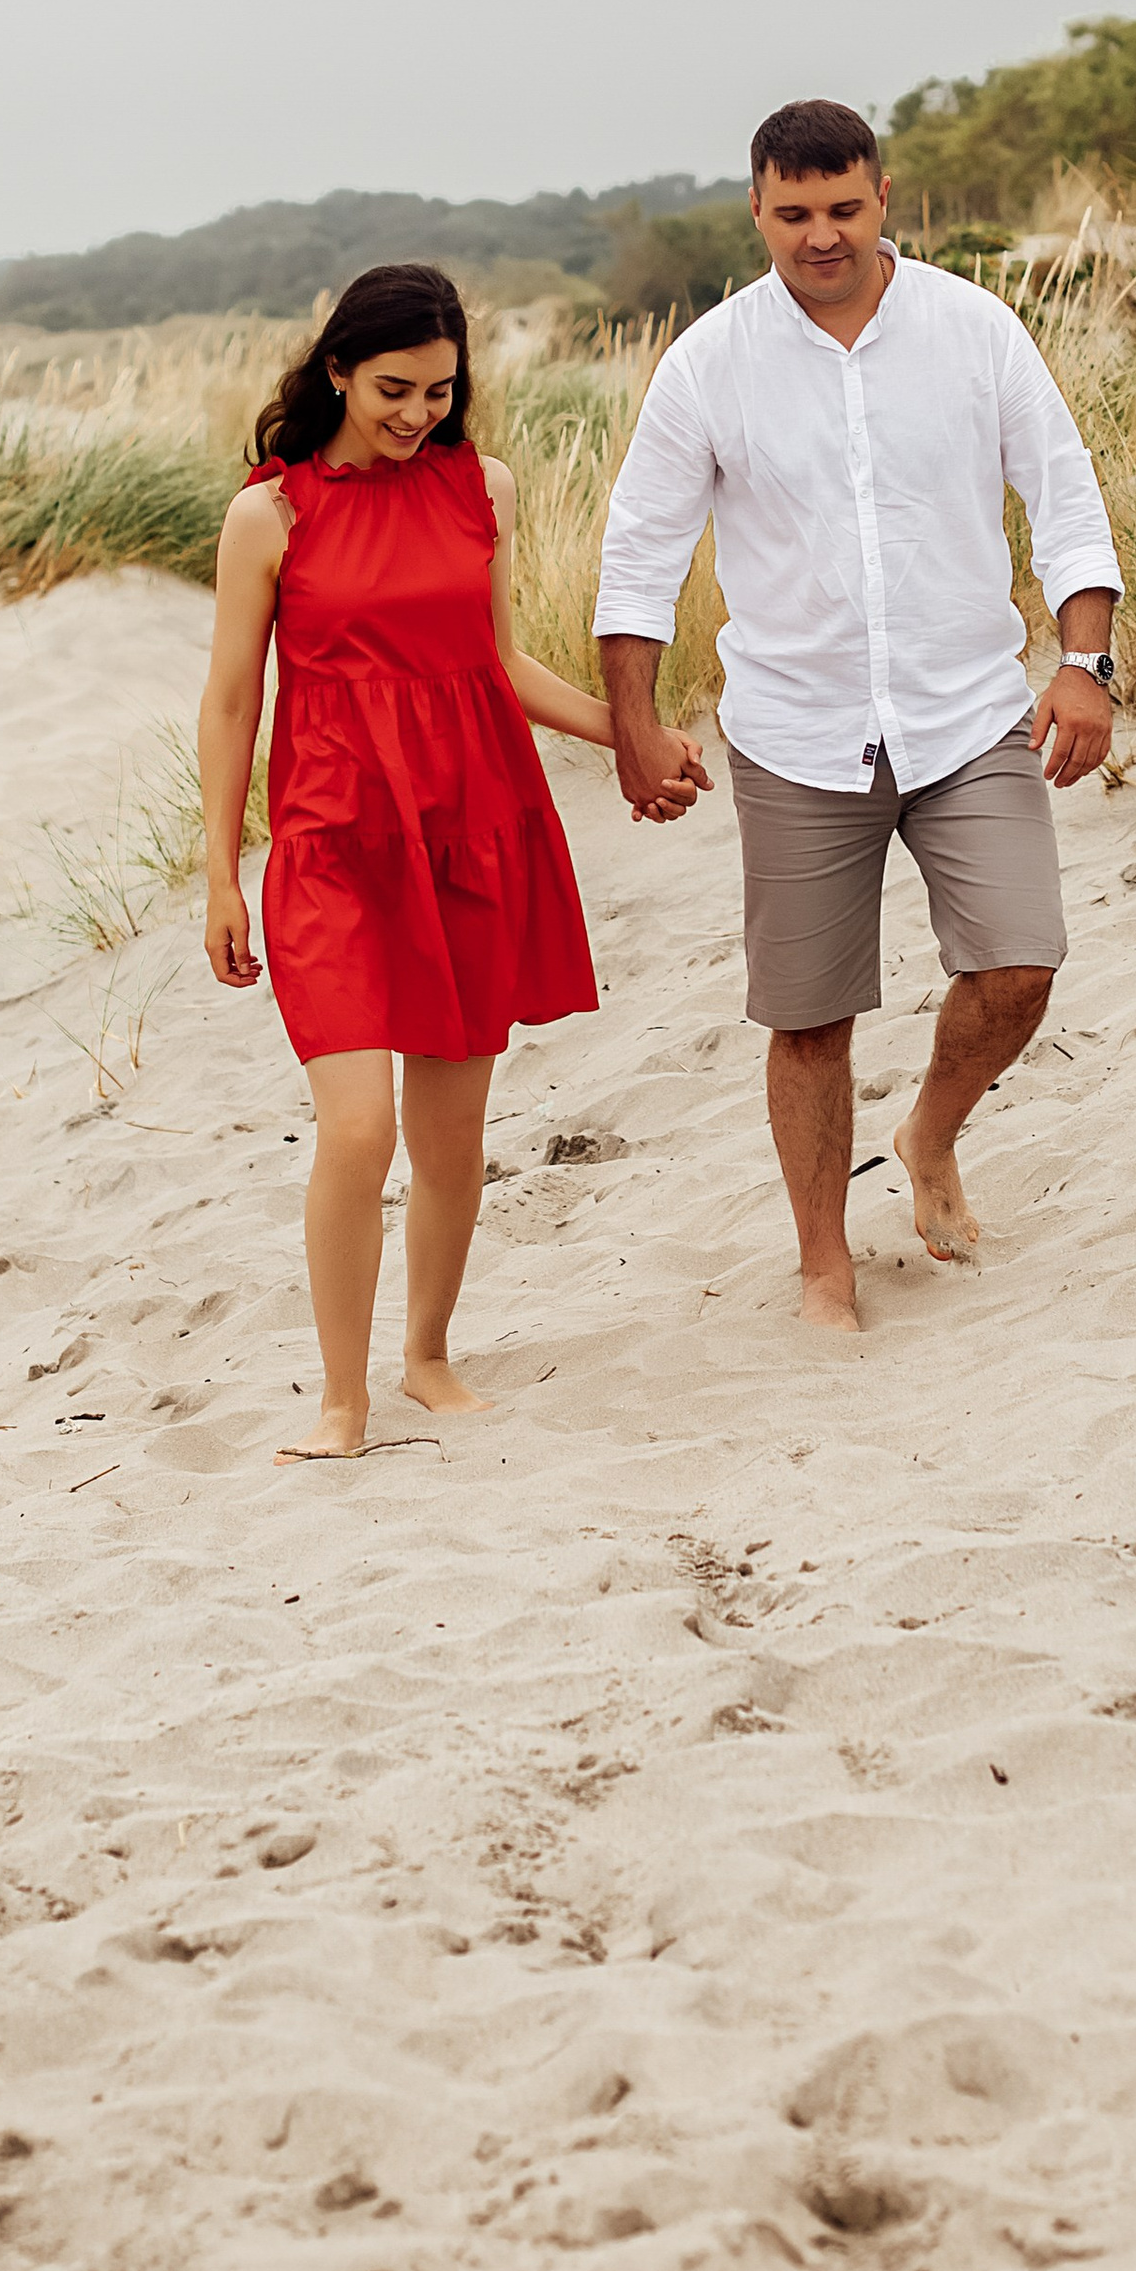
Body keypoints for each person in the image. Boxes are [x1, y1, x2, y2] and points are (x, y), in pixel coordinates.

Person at [593, 100, 1121, 1332]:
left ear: (884, 198)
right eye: (793, 214)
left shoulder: (972, 330)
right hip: (793, 731)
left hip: (968, 711)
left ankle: (930, 1131)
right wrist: (634, 722)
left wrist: (1085, 662)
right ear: (757, 212)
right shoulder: (708, 364)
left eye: (843, 209)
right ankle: (823, 1264)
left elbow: (1066, 495)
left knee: (1020, 962)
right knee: (809, 1016)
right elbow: (638, 559)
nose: (820, 236)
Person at [200, 263, 700, 1457]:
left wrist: (634, 737)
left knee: (450, 1139)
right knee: (358, 1128)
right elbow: (229, 704)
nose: (419, 411)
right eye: (392, 388)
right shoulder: (268, 516)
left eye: (438, 388)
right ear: (335, 371)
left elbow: (499, 666)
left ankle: (425, 1358)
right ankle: (341, 1401)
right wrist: (222, 874)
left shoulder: (484, 489)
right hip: (329, 843)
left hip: (469, 828)